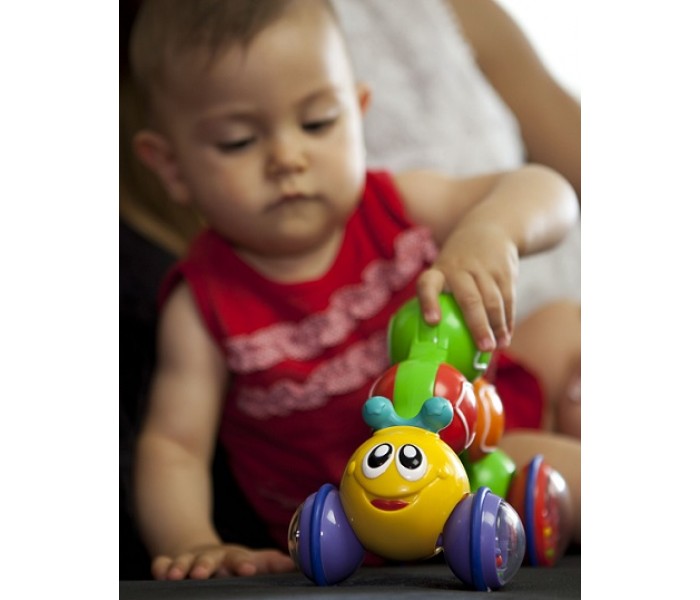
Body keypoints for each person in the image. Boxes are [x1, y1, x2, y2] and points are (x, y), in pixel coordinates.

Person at [126, 0, 579, 581]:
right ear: (171, 167)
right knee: (545, 462)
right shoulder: (202, 303)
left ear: (357, 113)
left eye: (317, 123)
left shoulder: (394, 203)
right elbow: (174, 447)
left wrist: (493, 231)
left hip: (476, 414)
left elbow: (547, 189)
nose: (288, 158)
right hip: (390, 500)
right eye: (238, 141)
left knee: (565, 326)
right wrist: (194, 541)